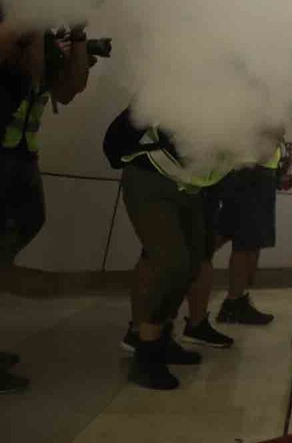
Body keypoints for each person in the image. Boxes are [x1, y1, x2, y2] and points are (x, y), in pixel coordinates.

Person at [107, 113, 232, 390]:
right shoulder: (187, 83)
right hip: (151, 178)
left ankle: (161, 336)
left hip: (188, 187)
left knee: (193, 264)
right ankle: (146, 353)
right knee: (172, 264)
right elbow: (125, 127)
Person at [1, 23, 91, 394]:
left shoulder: (48, 33)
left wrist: (80, 37)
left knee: (27, 225)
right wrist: (41, 28)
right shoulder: (18, 19)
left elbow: (70, 90)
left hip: (21, 154)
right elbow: (30, 64)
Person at [210, 137, 287, 326]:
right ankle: (234, 303)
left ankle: (186, 271)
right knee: (246, 242)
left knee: (230, 232)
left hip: (247, 169)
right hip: (252, 171)